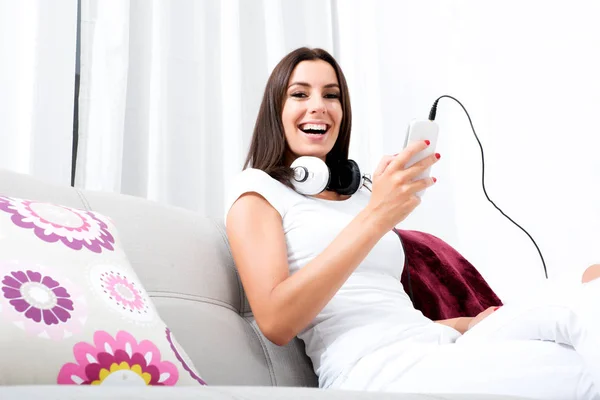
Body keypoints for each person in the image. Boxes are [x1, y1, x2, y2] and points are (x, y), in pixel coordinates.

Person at [224, 46, 600, 399]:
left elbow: (383, 308)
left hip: (436, 344)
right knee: (578, 371)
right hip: (372, 369)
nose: (319, 106)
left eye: (332, 94)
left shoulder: (357, 197)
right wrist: (377, 216)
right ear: (276, 108)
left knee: (590, 284)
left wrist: (466, 323)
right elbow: (275, 322)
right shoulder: (257, 191)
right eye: (300, 94)